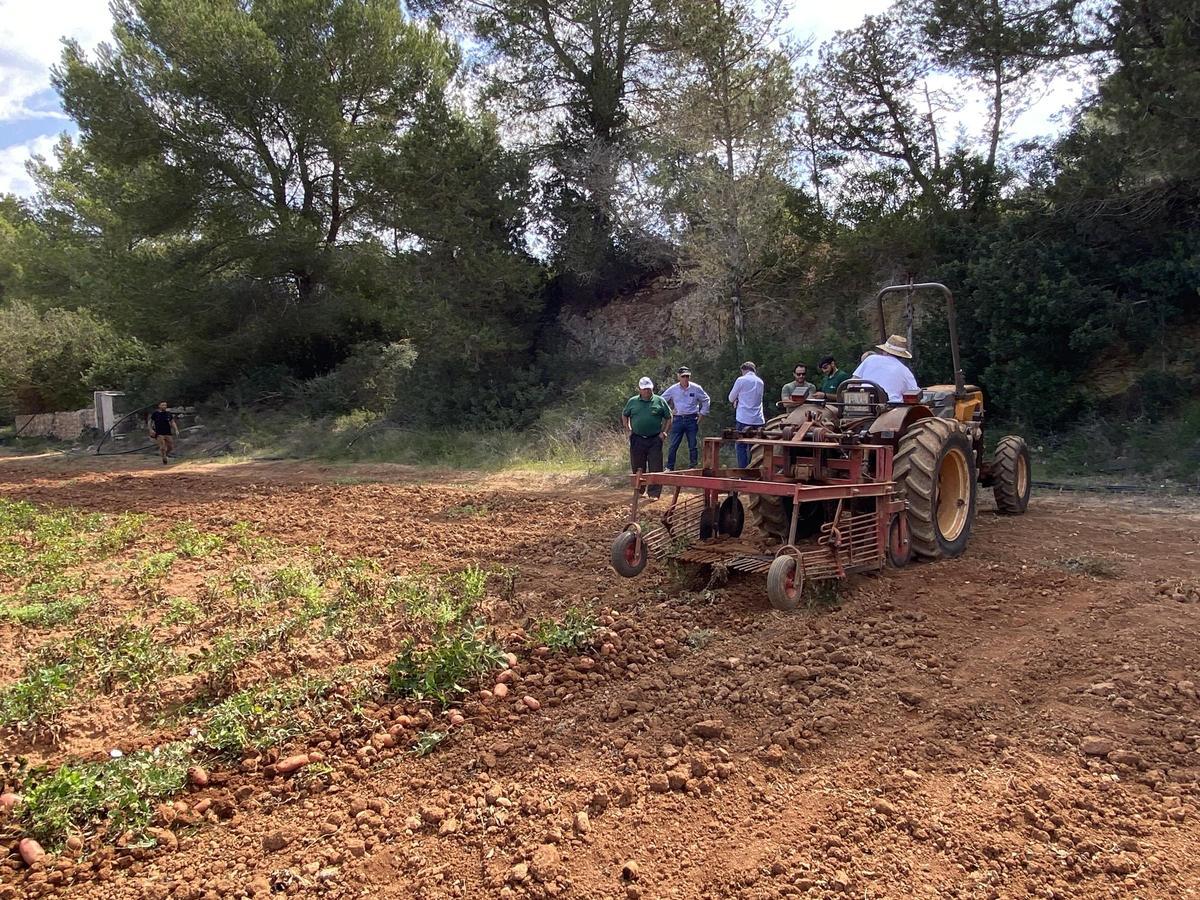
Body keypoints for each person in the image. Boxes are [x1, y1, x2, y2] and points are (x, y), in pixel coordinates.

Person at [621, 377, 672, 501]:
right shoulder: (633, 402)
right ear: (640, 389)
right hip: (637, 438)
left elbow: (669, 417)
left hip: (654, 439)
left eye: (649, 389)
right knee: (638, 465)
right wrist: (629, 429)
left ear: (652, 388)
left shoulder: (659, 401)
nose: (647, 391)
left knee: (655, 466)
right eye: (644, 389)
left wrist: (664, 432)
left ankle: (654, 494)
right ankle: (639, 490)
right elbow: (625, 414)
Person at [661, 366, 711, 470]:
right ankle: (669, 467)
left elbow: (706, 400)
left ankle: (693, 466)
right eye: (683, 376)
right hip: (678, 419)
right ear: (678, 377)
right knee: (673, 445)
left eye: (687, 376)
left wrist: (702, 414)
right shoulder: (673, 389)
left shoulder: (696, 388)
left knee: (693, 445)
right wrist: (669, 411)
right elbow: (661, 400)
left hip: (692, 419)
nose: (685, 379)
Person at [851, 335, 919, 402]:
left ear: (885, 351)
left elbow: (853, 383)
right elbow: (915, 392)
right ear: (902, 356)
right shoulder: (905, 371)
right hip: (891, 407)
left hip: (864, 403)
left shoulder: (870, 359)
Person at [727, 361, 764, 469]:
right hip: (758, 419)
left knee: (740, 445)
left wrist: (737, 399)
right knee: (754, 447)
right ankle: (753, 469)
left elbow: (731, 398)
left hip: (744, 418)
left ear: (743, 370)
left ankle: (743, 471)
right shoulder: (760, 382)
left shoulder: (741, 380)